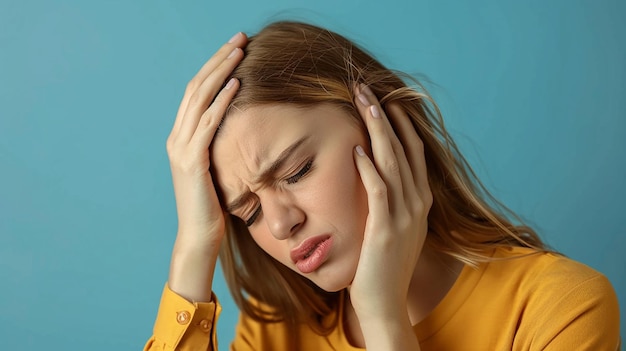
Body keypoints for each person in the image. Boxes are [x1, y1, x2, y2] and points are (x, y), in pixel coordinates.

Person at [144, 21, 620, 350]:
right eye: (247, 212)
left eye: (297, 171)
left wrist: (383, 319)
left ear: (383, 126)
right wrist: (193, 247)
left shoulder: (561, 311)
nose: (280, 223)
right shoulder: (275, 332)